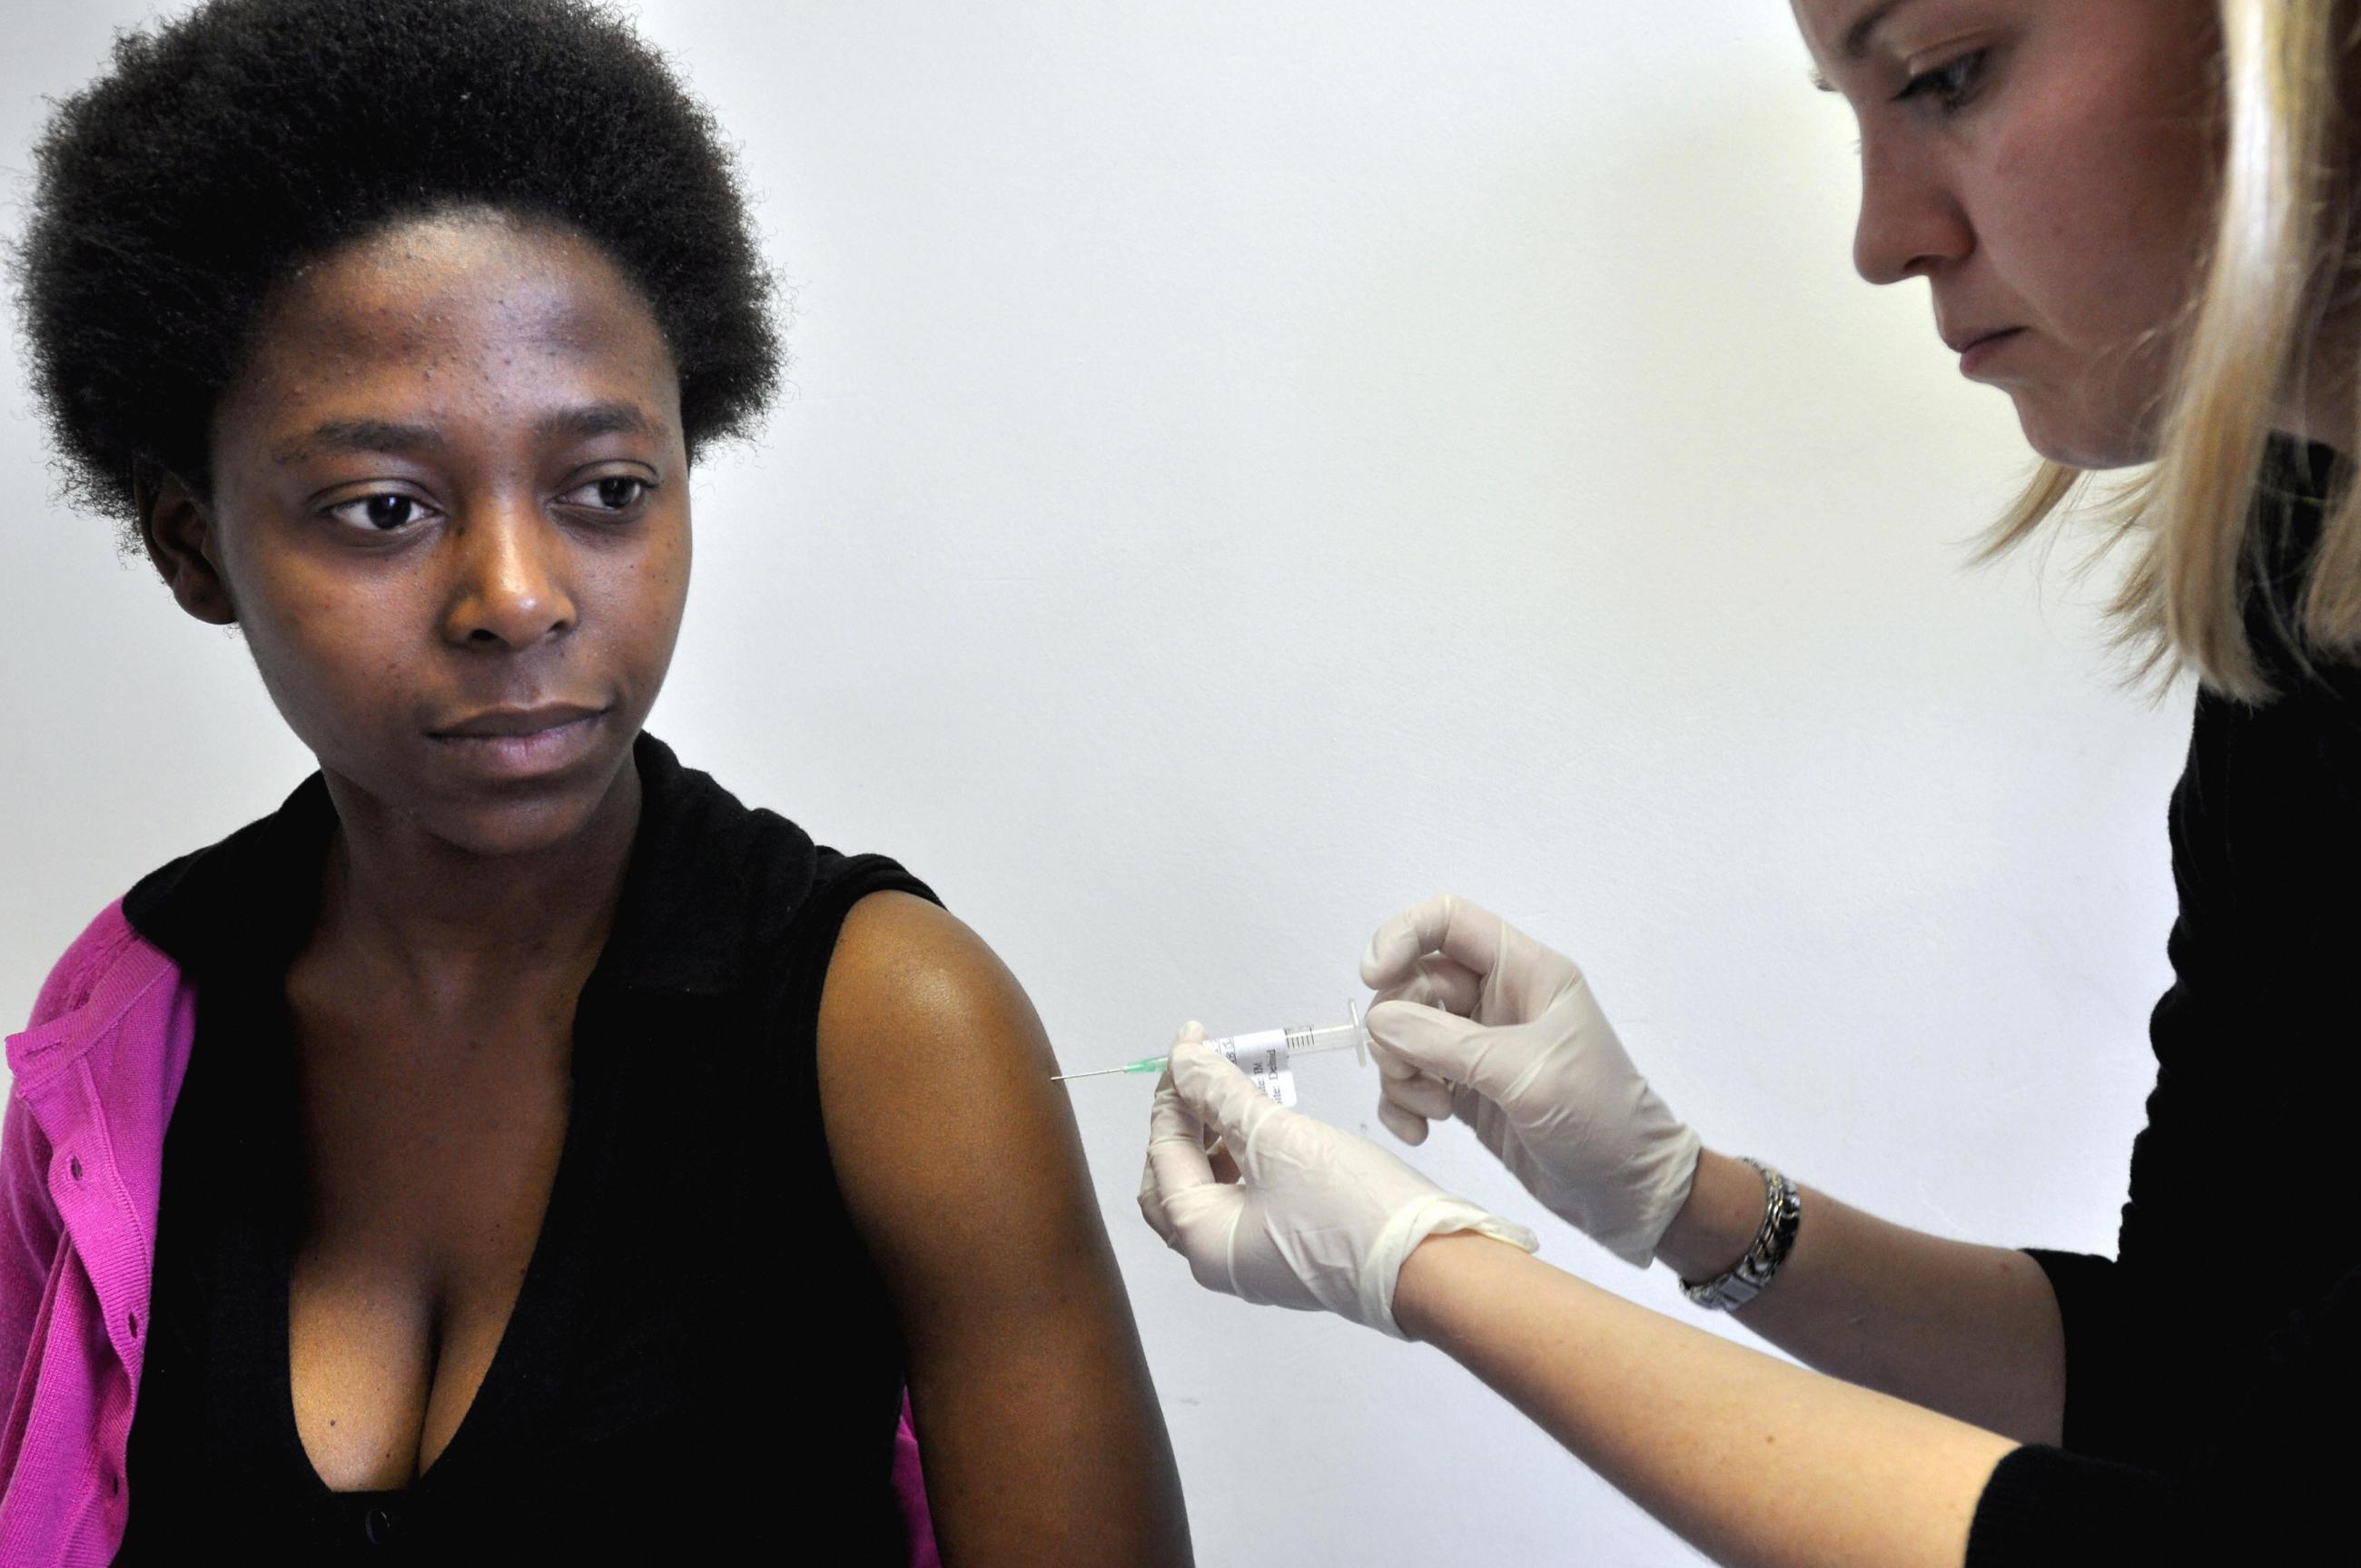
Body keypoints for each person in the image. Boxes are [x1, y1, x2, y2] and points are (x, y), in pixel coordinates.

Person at [1141, 1, 2361, 1563]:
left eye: (1944, 77)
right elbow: (2201, 1381)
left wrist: (1428, 1266)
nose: (1879, 236)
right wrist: (1689, 1208)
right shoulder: (2297, 587)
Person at [0, 2, 1192, 1563]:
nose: (518, 594)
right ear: (190, 544)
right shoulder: (133, 1023)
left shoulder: (890, 1028)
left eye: (608, 490)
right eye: (383, 508)